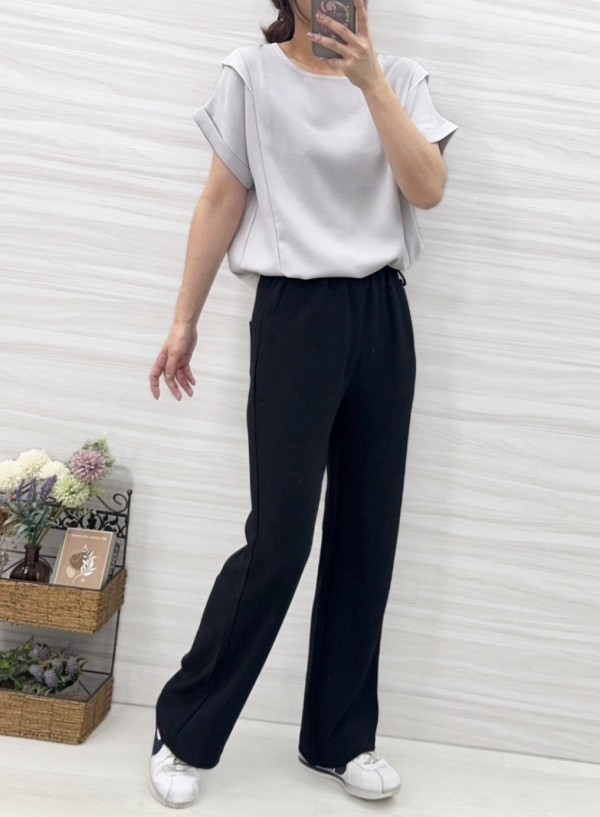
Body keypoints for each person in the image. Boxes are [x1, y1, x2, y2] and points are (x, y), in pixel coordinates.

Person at [148, 0, 458, 808]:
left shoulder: (400, 79)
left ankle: (340, 737)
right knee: (280, 538)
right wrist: (183, 320)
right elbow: (221, 200)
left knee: (367, 535)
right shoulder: (251, 75)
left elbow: (427, 188)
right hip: (295, 315)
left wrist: (371, 83)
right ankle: (184, 727)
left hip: (381, 314)